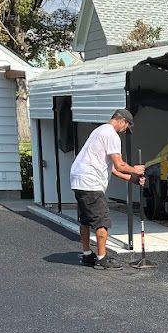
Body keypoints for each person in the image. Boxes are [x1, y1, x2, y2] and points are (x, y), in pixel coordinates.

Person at [69, 109, 146, 269]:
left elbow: (112, 169)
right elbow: (120, 164)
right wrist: (136, 170)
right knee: (101, 221)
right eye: (127, 127)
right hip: (91, 182)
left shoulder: (99, 131)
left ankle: (87, 254)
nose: (125, 131)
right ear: (122, 121)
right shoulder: (112, 135)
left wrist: (133, 179)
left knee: (85, 220)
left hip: (79, 181)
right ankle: (101, 259)